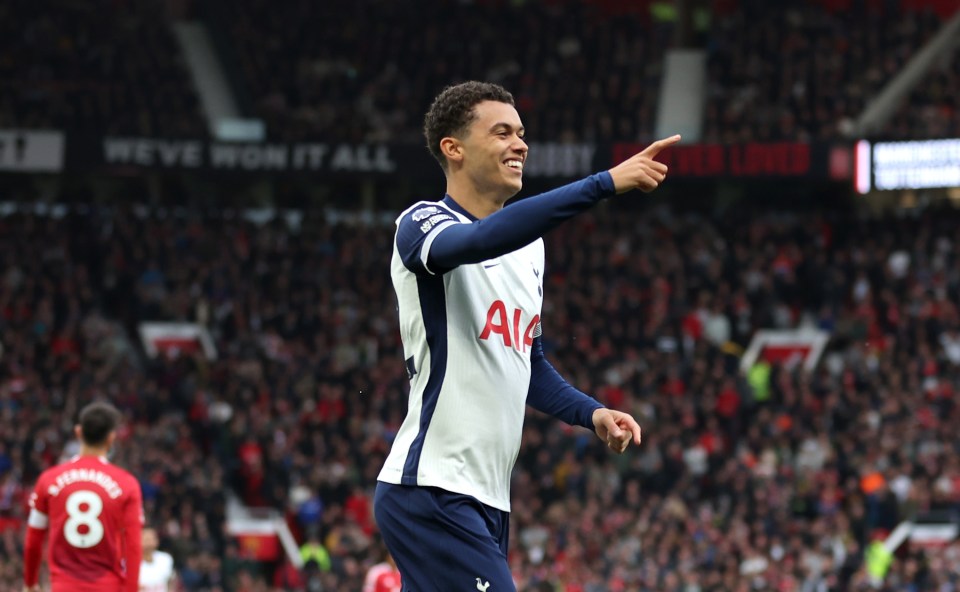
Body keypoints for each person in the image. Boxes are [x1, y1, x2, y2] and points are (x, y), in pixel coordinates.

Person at [373, 80, 679, 591]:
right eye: (501, 133)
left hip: (489, 498)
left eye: (521, 133)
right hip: (431, 487)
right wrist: (603, 183)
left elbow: (527, 364)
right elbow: (479, 239)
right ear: (454, 148)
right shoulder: (422, 224)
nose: (520, 144)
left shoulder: (529, 251)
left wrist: (591, 412)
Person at [23, 401, 144, 592]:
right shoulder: (127, 484)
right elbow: (134, 546)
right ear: (111, 438)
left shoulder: (48, 480)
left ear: (78, 432)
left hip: (63, 586)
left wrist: (30, 584)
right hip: (108, 586)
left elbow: (33, 541)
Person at [139, 526, 176, 592]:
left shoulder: (166, 559)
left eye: (152, 538)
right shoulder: (129, 563)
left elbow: (171, 581)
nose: (149, 543)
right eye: (146, 539)